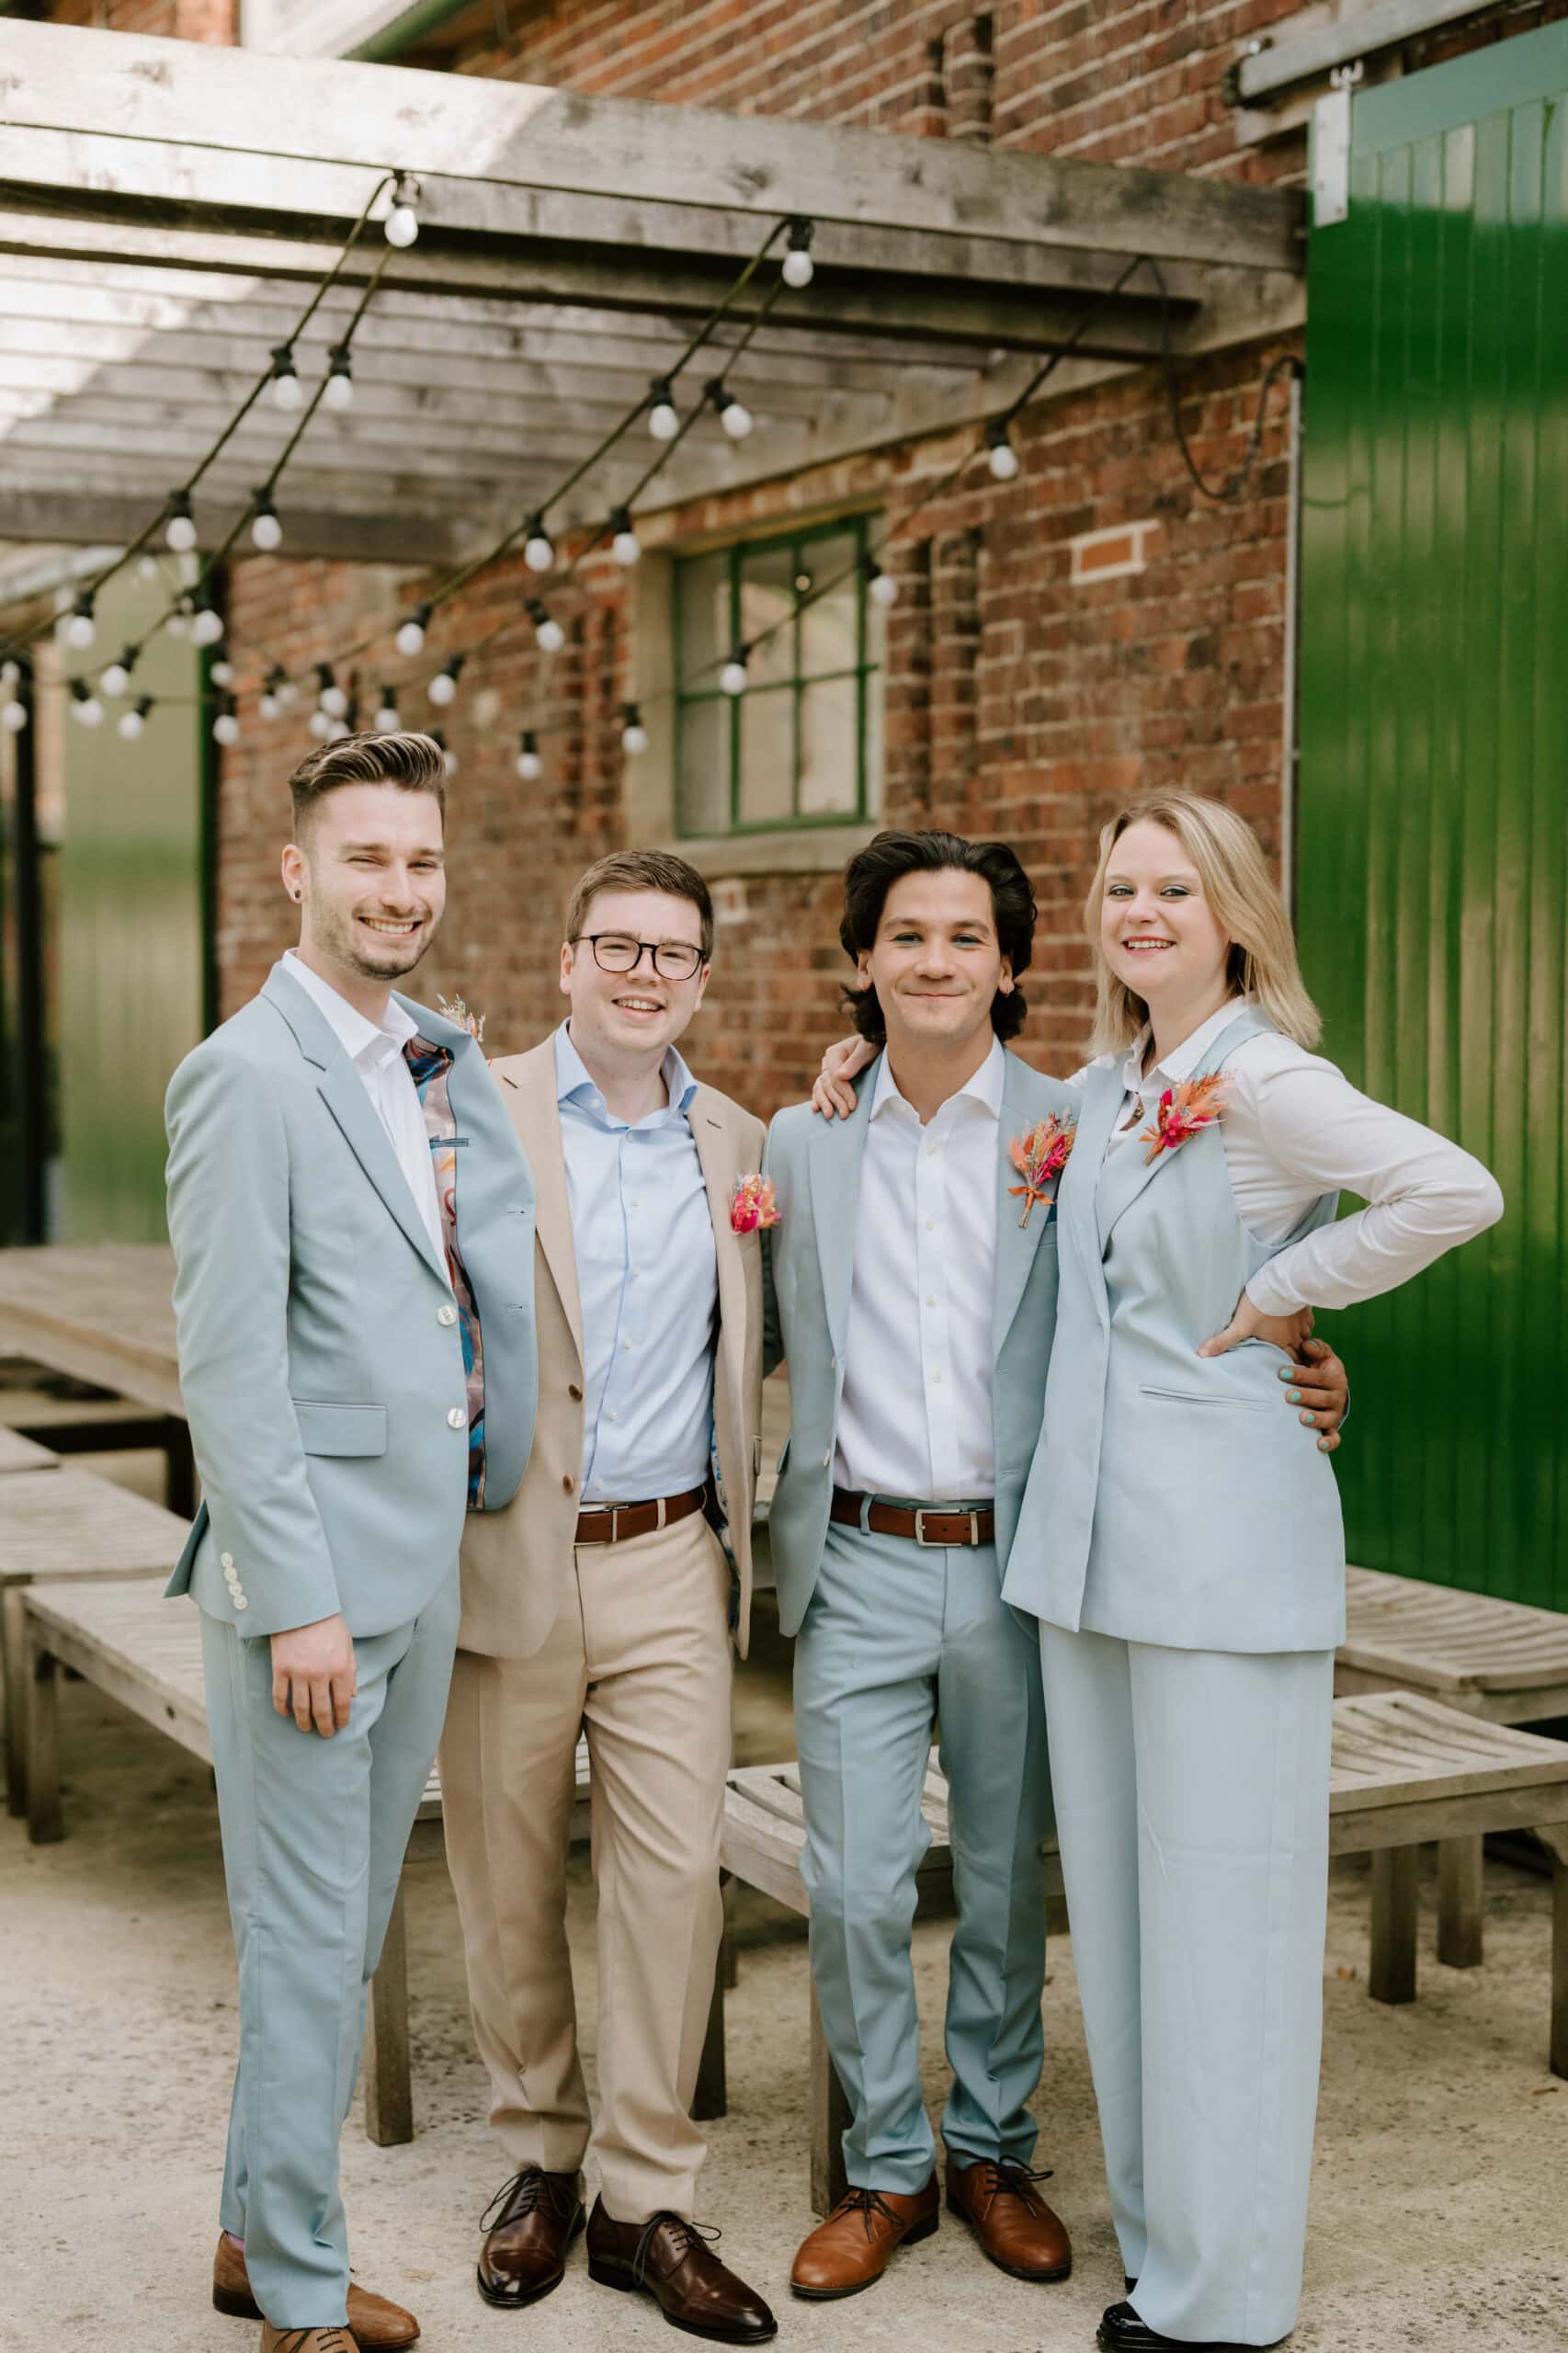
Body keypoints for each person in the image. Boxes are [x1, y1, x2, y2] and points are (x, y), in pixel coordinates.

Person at [774, 830, 1347, 2305]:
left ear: (1014, 966)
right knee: (847, 1889)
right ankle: (884, 2166)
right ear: (861, 963)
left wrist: (1296, 1355)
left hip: (1023, 1558)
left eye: (968, 937)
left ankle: (991, 2148)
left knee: (1004, 1880)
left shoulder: (1088, 1118)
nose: (935, 961)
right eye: (905, 936)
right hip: (855, 1557)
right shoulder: (799, 1139)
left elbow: (1202, 1257)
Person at [997, 791, 1504, 2352]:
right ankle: (1164, 2246)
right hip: (1086, 1563)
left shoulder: (1269, 1079)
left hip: (1219, 1550)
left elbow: (1452, 1189)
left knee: (1228, 1922)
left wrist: (1283, 1292)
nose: (1137, 911)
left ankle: (1228, 2298)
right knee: (1136, 1928)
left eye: (1171, 888)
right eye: (1117, 887)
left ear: (1231, 916)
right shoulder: (1106, 1086)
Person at [165, 732, 540, 2353]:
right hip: (312, 1595)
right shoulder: (244, 1074)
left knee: (338, 1936)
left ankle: (254, 2234)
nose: (402, 889)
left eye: (423, 861)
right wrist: (295, 1605)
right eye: (368, 859)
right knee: (312, 1946)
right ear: (297, 872)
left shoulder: (426, 1055)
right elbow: (229, 1367)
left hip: (420, 1560)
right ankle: (303, 2298)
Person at [443, 850, 776, 2345]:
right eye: (618, 948)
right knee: (505, 1873)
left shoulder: (744, 1141)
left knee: (667, 1882)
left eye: (674, 954)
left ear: (703, 979)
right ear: (566, 959)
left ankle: (646, 2199)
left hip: (669, 1554)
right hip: (505, 1545)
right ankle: (542, 2161)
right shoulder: (467, 1110)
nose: (645, 975)